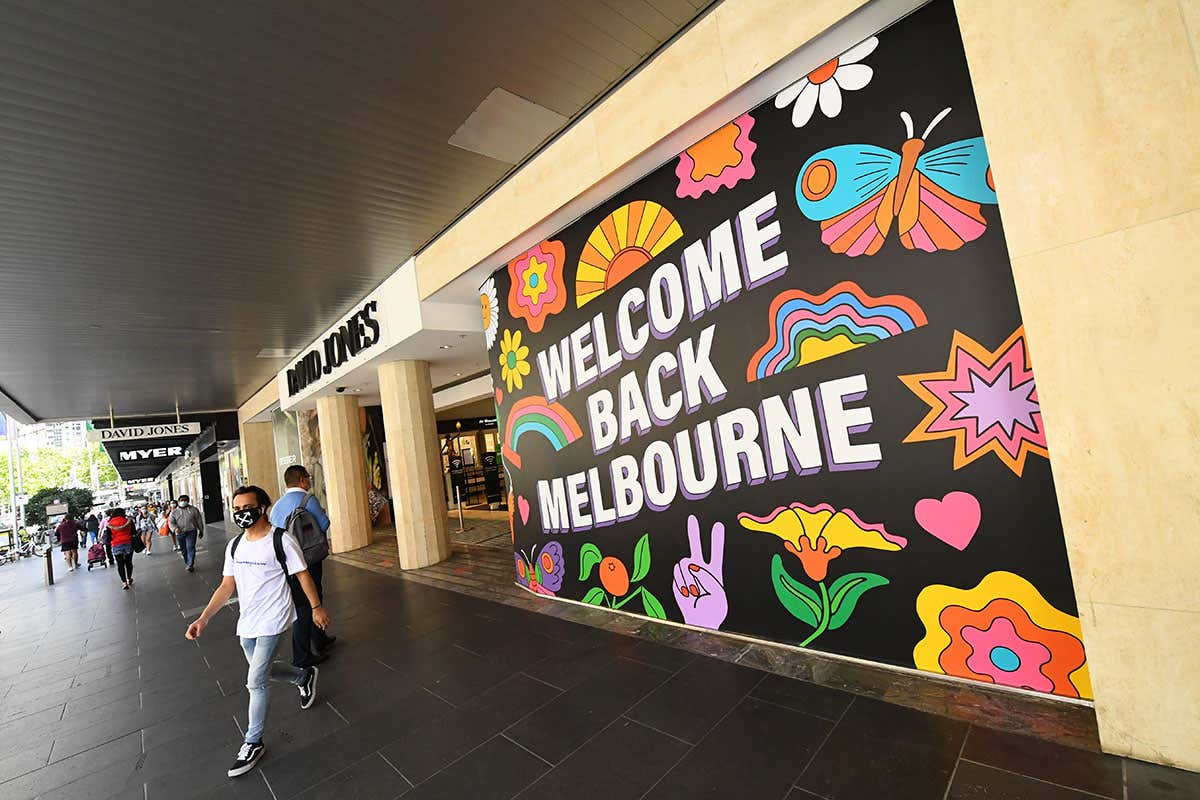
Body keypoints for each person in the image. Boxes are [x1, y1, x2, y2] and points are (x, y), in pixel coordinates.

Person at [185, 486, 328, 778]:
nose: (242, 514)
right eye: (237, 509)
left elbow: (302, 575)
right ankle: (303, 676)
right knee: (262, 671)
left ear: (263, 507)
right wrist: (203, 619)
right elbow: (227, 586)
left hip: (274, 618)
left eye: (247, 507)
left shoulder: (281, 539)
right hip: (248, 621)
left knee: (255, 682)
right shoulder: (235, 545)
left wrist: (316, 608)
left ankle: (253, 742)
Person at [270, 465, 337, 669]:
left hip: (287, 562)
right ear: (301, 480)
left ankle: (320, 638)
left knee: (301, 601)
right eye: (307, 477)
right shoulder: (308, 500)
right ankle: (302, 655)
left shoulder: (277, 506)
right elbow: (324, 524)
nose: (309, 480)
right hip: (309, 558)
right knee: (310, 602)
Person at [169, 495, 204, 572]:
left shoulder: (194, 510)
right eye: (181, 500)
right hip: (180, 533)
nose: (183, 502)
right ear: (178, 501)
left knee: (190, 547)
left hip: (191, 531)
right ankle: (187, 562)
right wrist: (175, 528)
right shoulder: (174, 512)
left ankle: (190, 564)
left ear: (188, 501)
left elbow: (199, 521)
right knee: (183, 549)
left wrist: (201, 530)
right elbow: (171, 522)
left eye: (185, 500)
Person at [106, 507, 136, 589]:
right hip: (128, 543)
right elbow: (134, 532)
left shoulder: (110, 523)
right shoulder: (128, 521)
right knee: (128, 562)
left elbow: (108, 537)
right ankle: (129, 578)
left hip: (116, 544)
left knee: (120, 564)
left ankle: (124, 583)